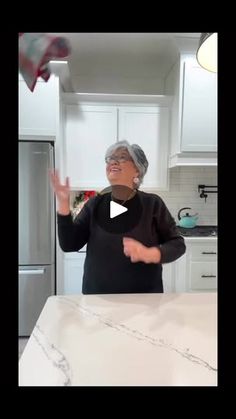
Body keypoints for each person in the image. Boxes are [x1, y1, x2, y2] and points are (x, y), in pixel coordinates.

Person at [50, 140, 186, 294]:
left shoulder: (152, 204)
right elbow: (69, 244)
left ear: (137, 170)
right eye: (110, 158)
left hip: (144, 300)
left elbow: (178, 244)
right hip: (98, 299)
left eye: (122, 157)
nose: (113, 161)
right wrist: (63, 205)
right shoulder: (95, 204)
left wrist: (150, 254)